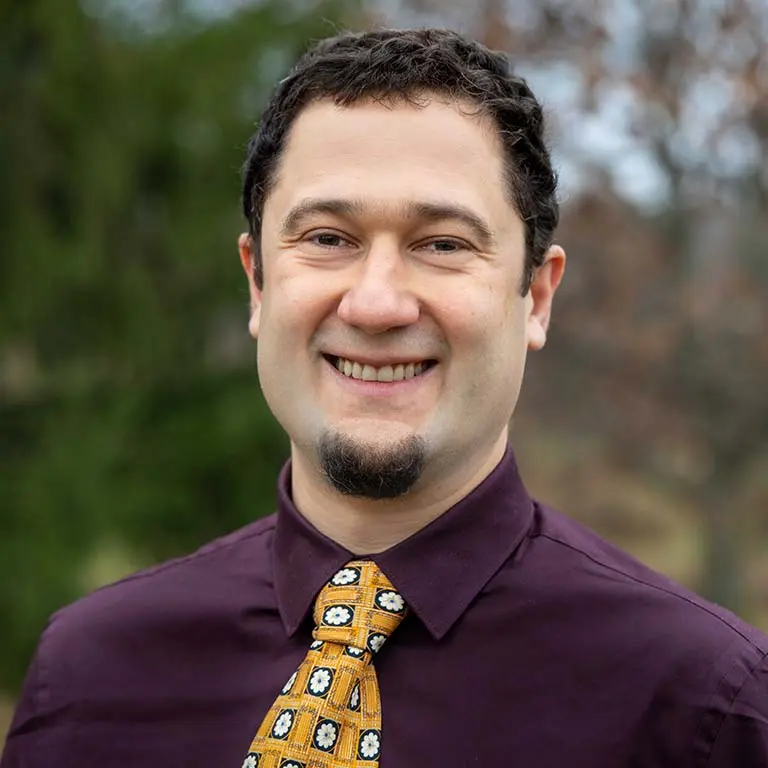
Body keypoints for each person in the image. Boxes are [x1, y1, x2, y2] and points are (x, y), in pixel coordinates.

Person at [2, 27, 767, 768]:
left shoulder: (705, 707)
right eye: (327, 238)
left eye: (443, 244)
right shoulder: (91, 678)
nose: (376, 304)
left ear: (536, 297)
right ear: (258, 282)